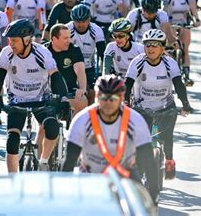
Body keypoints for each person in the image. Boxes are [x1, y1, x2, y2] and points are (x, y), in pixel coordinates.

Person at [61, 74, 159, 203]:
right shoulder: (82, 120)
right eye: (103, 97)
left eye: (113, 98)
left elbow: (149, 161)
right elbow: (69, 160)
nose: (108, 103)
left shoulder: (135, 120)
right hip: (89, 174)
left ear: (121, 98)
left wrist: (152, 196)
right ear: (96, 97)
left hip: (125, 174)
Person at [0, 19, 70, 172]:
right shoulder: (7, 53)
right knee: (12, 142)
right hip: (16, 100)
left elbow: (56, 76)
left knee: (52, 128)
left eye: (14, 40)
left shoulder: (41, 52)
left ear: (27, 41)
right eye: (9, 40)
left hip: (41, 99)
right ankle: (12, 180)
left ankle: (43, 162)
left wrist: (64, 99)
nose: (10, 44)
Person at [125, 29, 193, 180]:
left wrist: (185, 103)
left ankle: (169, 161)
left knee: (167, 136)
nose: (150, 49)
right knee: (141, 141)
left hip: (165, 106)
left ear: (163, 48)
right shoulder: (137, 62)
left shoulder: (170, 63)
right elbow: (127, 84)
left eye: (155, 45)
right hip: (141, 107)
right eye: (147, 45)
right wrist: (125, 102)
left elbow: (178, 84)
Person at [161, 0, 200, 85]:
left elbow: (193, 9)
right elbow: (163, 11)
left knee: (185, 48)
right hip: (171, 23)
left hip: (184, 22)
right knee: (170, 46)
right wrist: (164, 24)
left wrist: (197, 20)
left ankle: (187, 75)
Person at [67, 4, 106, 104]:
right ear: (73, 21)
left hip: (89, 65)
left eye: (84, 21)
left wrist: (106, 71)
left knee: (92, 91)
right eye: (77, 22)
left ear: (89, 20)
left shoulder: (96, 30)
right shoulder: (67, 29)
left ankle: (90, 114)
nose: (81, 25)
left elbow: (102, 53)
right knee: (73, 92)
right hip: (72, 66)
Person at [45, 24, 88, 114]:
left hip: (69, 90)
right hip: (47, 92)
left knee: (82, 101)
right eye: (65, 38)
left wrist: (82, 88)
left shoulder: (74, 49)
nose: (69, 41)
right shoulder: (44, 51)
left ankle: (74, 126)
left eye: (69, 37)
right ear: (54, 39)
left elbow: (80, 70)